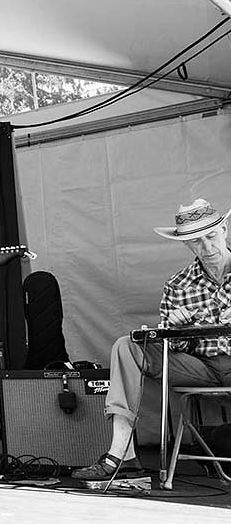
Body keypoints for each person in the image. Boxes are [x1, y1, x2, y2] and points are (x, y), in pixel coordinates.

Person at [73, 198, 231, 480]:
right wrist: (175, 329)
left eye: (211, 236)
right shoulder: (177, 285)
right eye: (196, 242)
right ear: (186, 245)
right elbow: (178, 350)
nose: (206, 248)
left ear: (225, 230)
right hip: (203, 368)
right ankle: (121, 456)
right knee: (127, 345)